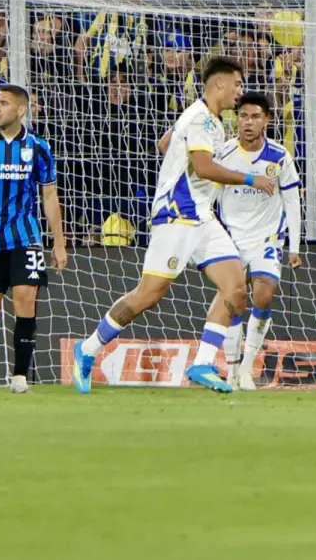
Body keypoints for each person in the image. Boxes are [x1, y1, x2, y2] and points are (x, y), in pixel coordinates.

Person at [70, 57, 275, 395]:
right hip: (176, 216)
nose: (240, 91)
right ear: (219, 84)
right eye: (237, 84)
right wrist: (250, 178)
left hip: (202, 217)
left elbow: (166, 144)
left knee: (236, 286)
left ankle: (202, 363)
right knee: (148, 294)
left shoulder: (205, 119)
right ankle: (88, 348)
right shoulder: (201, 120)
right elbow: (205, 168)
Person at [0, 85, 67, 394]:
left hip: (25, 236)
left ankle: (19, 376)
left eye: (3, 103)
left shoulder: (38, 147)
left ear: (20, 110)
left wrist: (58, 242)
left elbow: (49, 195)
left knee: (26, 301)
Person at [212, 92, 303, 391]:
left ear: (266, 120)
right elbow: (210, 198)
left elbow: (292, 201)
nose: (248, 122)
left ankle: (249, 368)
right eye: (243, 116)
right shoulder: (223, 155)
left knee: (264, 293)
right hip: (231, 239)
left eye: (255, 116)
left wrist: (294, 247)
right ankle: (233, 369)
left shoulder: (279, 156)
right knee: (233, 302)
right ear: (236, 119)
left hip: (267, 238)